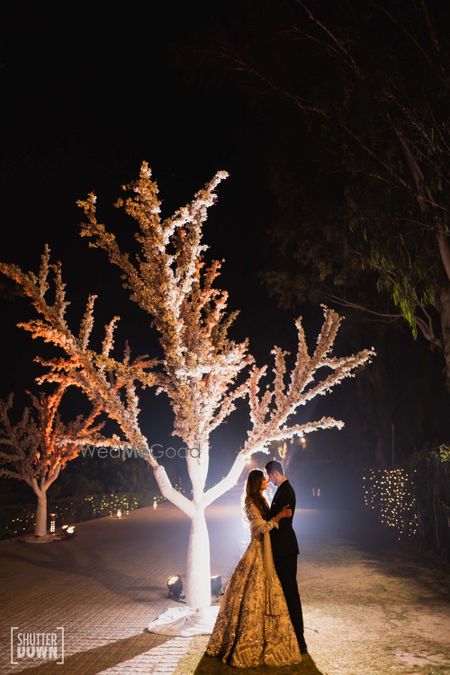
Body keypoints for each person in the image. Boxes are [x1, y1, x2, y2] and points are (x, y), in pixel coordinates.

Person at [206, 469, 301, 668]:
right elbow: (260, 528)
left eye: (268, 477)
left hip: (267, 551)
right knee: (252, 592)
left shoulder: (262, 499)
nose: (267, 480)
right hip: (257, 550)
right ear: (258, 482)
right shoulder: (250, 502)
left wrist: (277, 517)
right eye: (264, 479)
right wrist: (280, 516)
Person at [265, 459, 308, 654]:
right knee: (287, 593)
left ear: (274, 473)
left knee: (291, 594)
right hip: (282, 549)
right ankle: (292, 635)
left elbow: (283, 520)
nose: (269, 480)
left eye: (269, 476)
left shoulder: (286, 491)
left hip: (285, 549)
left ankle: (300, 640)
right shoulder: (282, 490)